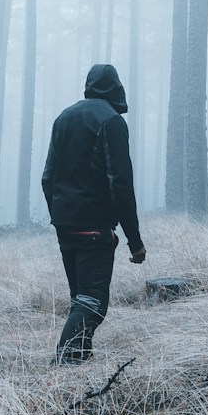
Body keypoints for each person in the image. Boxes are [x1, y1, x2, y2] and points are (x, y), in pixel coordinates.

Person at [39, 61, 145, 362]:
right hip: (94, 228)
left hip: (65, 225)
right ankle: (64, 366)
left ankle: (78, 368)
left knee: (80, 300)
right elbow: (120, 183)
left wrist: (60, 215)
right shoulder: (111, 122)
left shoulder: (63, 118)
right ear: (116, 89)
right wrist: (134, 241)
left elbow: (48, 177)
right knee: (92, 303)